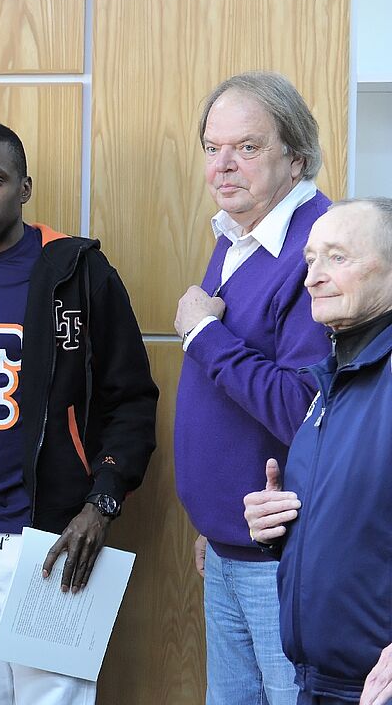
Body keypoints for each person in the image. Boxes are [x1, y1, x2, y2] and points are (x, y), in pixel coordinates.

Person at [0, 121, 158, 704]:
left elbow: (131, 398)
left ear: (24, 187)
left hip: (50, 537)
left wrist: (102, 502)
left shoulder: (79, 272)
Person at [174, 71, 331, 705]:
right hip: (230, 545)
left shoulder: (319, 248)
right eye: (212, 148)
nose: (223, 166)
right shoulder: (240, 233)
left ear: (295, 157)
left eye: (247, 146)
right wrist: (214, 523)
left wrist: (201, 334)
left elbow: (303, 408)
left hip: (284, 555)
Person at [244, 199, 392, 705]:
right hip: (318, 683)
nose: (312, 278)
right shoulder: (332, 378)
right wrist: (281, 527)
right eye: (310, 259)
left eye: (338, 257)